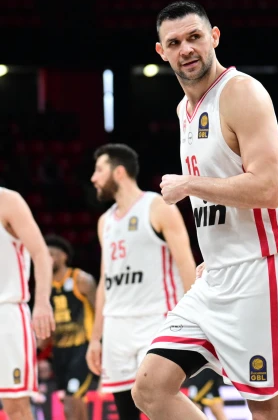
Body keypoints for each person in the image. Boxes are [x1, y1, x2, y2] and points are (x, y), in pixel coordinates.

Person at [131, 1, 278, 420]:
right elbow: (221, 197)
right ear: (161, 52)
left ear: (214, 37)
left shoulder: (241, 93)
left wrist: (189, 184)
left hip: (264, 269)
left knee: (268, 406)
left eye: (194, 37)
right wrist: (214, 255)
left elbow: (268, 189)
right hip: (217, 276)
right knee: (151, 389)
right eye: (174, 42)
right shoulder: (184, 109)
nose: (186, 49)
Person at [86, 143, 196, 420]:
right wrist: (96, 338)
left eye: (99, 170)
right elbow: (104, 283)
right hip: (116, 326)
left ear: (119, 172)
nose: (93, 178)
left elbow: (186, 265)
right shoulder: (104, 222)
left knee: (161, 402)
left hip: (156, 319)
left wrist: (197, 318)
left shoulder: (157, 207)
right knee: (126, 411)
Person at [0, 187, 55, 420]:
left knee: (16, 408)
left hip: (6, 312)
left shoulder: (8, 201)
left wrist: (42, 302)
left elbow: (41, 254)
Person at [45, 234, 96, 420]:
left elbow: (101, 312)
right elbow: (45, 329)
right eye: (45, 254)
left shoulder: (81, 279)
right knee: (74, 403)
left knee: (71, 400)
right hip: (59, 353)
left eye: (52, 254)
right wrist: (36, 353)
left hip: (82, 349)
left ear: (64, 256)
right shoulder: (45, 287)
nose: (48, 258)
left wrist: (100, 343)